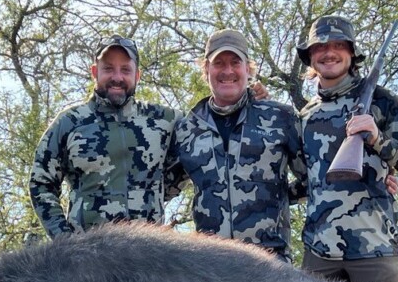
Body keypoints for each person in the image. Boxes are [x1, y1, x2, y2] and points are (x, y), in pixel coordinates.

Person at [296, 15, 398, 282]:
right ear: (310, 56)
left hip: (377, 253)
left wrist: (378, 139)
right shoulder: (305, 115)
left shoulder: (382, 101)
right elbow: (309, 181)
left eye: (338, 45)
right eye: (320, 46)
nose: (329, 52)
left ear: (352, 53)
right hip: (319, 253)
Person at [168, 29, 306, 261]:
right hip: (210, 267)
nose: (228, 71)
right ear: (206, 70)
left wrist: (280, 194)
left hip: (270, 264)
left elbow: (314, 178)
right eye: (218, 63)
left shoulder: (281, 118)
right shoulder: (187, 128)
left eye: (235, 62)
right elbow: (163, 188)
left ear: (248, 69)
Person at [29, 34, 179, 238]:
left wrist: (155, 195)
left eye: (125, 70)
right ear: (94, 72)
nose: (117, 77)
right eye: (108, 68)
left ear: (137, 76)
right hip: (89, 259)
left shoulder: (165, 121)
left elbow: (187, 165)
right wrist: (65, 240)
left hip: (150, 255)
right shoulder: (70, 122)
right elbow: (41, 182)